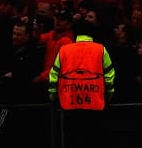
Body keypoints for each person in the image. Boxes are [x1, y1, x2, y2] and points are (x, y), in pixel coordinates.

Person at [48, 19, 115, 148]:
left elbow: (53, 75)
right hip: (95, 104)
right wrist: (108, 96)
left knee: (71, 140)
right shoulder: (101, 49)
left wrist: (53, 97)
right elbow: (109, 76)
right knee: (93, 140)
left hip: (69, 104)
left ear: (74, 34)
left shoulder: (64, 50)